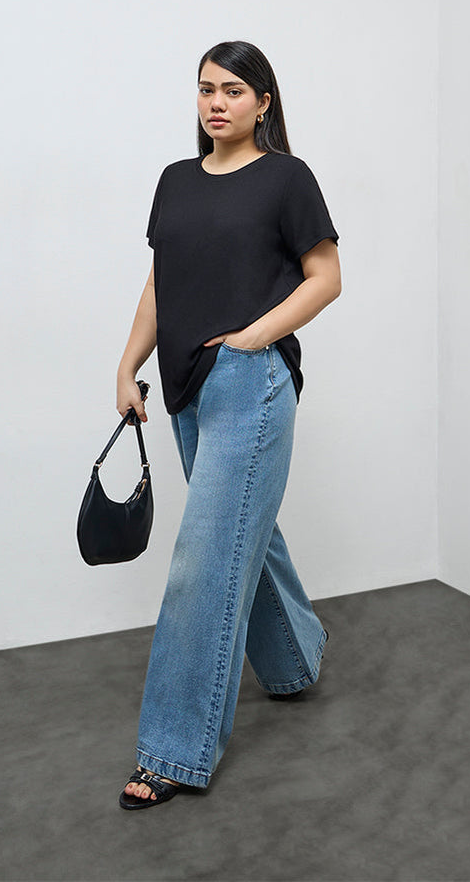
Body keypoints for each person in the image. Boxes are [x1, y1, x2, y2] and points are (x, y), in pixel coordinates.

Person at [116, 40, 341, 810]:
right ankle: (296, 660)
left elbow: (325, 277)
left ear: (263, 102)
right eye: (206, 89)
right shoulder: (175, 180)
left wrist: (252, 337)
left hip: (249, 382)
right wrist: (127, 364)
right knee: (244, 530)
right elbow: (160, 282)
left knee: (204, 557)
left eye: (234, 90)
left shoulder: (285, 177)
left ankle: (171, 750)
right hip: (184, 384)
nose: (216, 102)